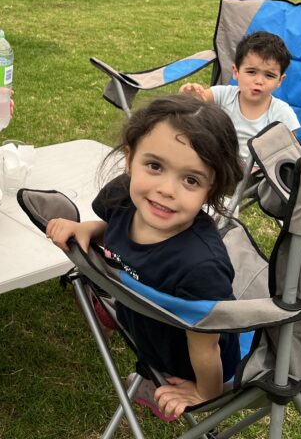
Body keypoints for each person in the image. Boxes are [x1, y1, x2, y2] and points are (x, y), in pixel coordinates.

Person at [46, 95, 243, 420]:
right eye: (154, 166)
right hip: (144, 316)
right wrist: (88, 229)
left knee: (193, 357)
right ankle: (118, 309)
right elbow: (114, 229)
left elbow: (207, 346)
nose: (166, 189)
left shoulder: (200, 266)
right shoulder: (121, 196)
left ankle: (154, 380)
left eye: (191, 180)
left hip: (186, 361)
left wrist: (206, 394)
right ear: (130, 158)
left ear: (210, 189)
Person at [180, 31, 300, 165]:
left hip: (257, 173)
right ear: (236, 72)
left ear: (280, 81)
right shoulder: (224, 94)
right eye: (251, 72)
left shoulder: (282, 113)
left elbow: (288, 155)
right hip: (218, 164)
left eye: (269, 75)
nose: (259, 81)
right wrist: (191, 94)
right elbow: (197, 100)